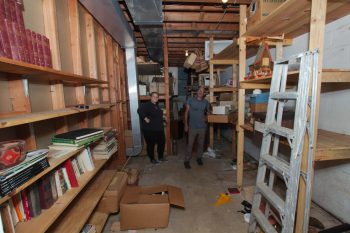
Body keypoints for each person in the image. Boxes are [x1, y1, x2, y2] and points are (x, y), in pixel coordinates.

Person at [184, 86, 210, 169]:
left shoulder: (206, 102)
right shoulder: (190, 100)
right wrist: (185, 124)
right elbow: (186, 112)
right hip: (192, 127)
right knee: (190, 144)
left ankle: (199, 158)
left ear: (204, 94)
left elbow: (209, 113)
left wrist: (206, 117)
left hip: (202, 127)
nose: (200, 92)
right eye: (199, 90)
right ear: (197, 91)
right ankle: (187, 160)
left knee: (201, 144)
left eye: (202, 91)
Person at [137, 92, 166, 164]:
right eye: (154, 96)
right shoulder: (147, 105)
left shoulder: (156, 106)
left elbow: (156, 115)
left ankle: (160, 157)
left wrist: (164, 117)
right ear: (151, 97)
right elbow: (139, 110)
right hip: (150, 130)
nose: (155, 98)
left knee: (162, 142)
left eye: (157, 97)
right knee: (151, 144)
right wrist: (145, 118)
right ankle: (152, 159)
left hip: (159, 129)